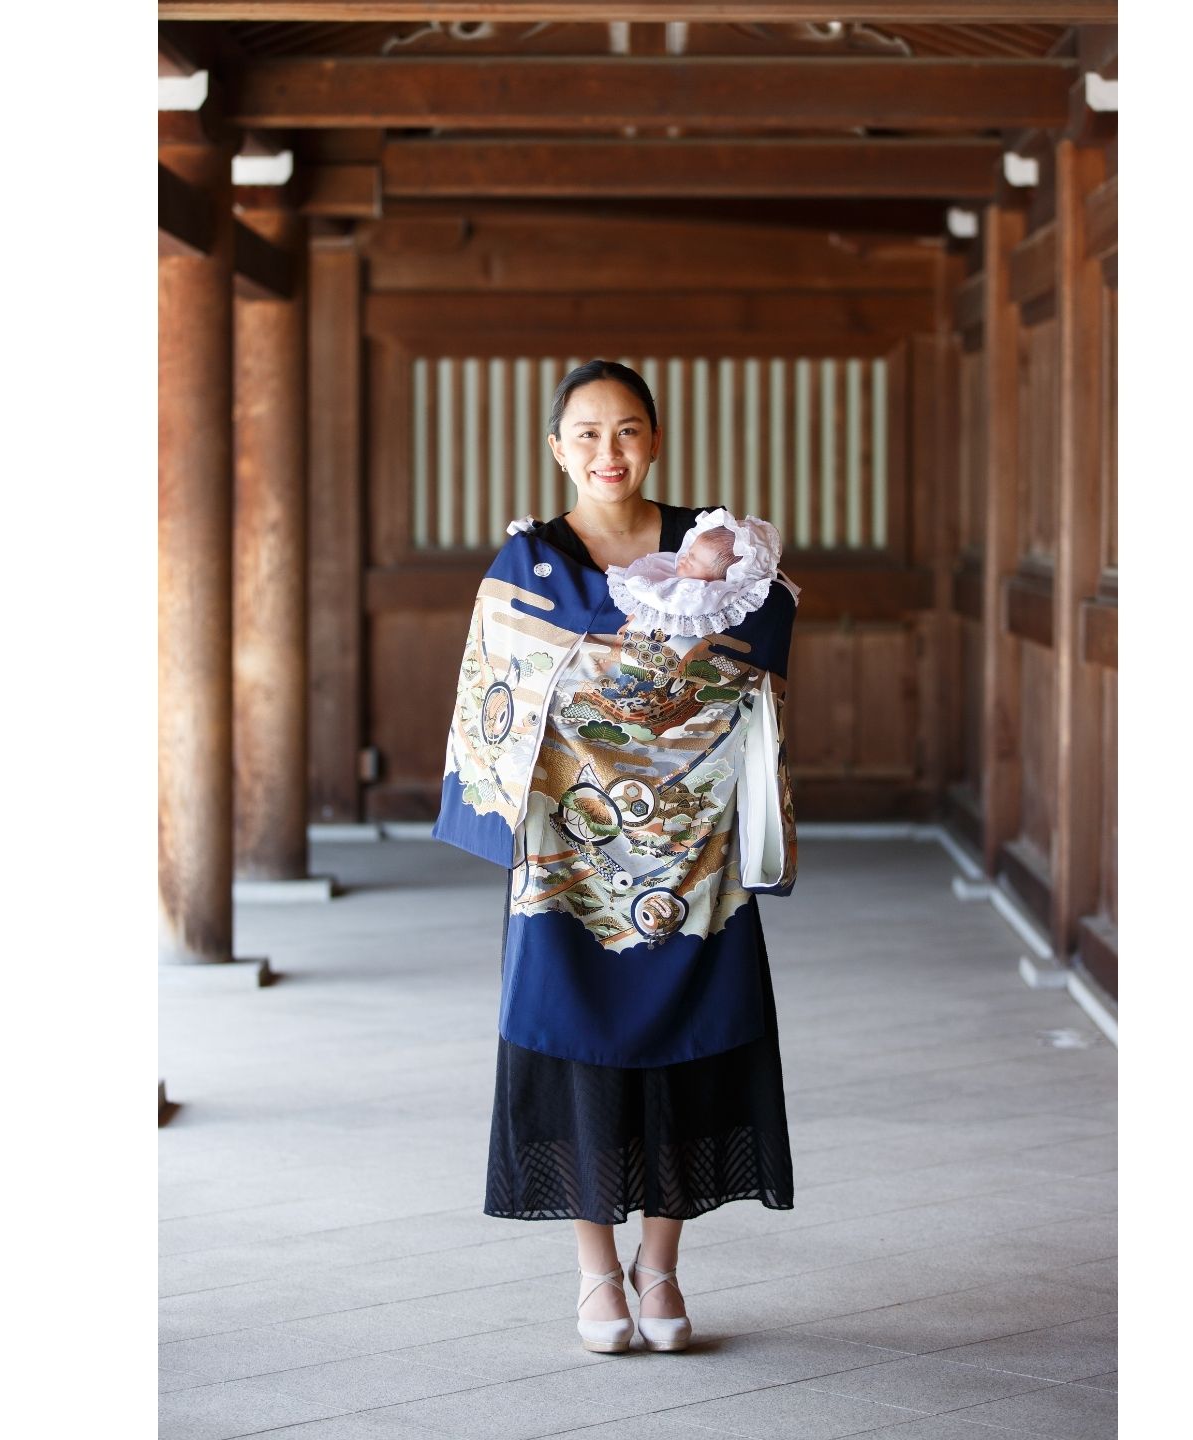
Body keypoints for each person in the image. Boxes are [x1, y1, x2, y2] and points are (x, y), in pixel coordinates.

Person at [433, 359, 799, 1355]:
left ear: (656, 440)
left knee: (692, 1041)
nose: (609, 452)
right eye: (587, 434)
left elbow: (761, 637)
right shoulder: (530, 562)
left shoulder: (716, 545)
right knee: (573, 1045)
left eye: (628, 430)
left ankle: (664, 1267)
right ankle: (597, 1275)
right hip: (568, 852)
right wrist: (638, 677)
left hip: (690, 845)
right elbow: (496, 686)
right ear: (557, 450)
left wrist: (670, 655)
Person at [603, 507, 787, 641]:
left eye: (692, 559)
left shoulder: (702, 593)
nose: (682, 557)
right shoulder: (677, 572)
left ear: (719, 578)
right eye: (689, 551)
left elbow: (672, 606)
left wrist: (641, 619)